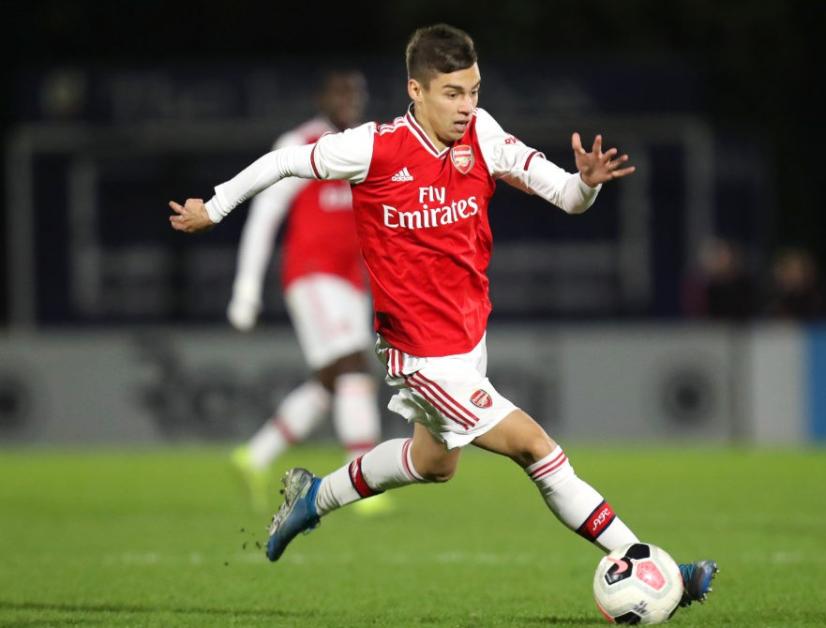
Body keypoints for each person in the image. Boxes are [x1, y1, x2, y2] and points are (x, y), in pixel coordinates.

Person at [169, 24, 717, 612]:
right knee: (536, 447)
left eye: (474, 91)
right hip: (418, 355)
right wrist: (216, 206)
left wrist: (586, 184)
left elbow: (563, 193)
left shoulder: (482, 135)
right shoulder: (372, 148)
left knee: (432, 463)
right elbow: (283, 162)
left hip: (467, 342)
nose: (467, 106)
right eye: (453, 93)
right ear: (416, 90)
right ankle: (653, 569)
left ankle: (312, 498)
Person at [226, 71, 389, 514]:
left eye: (356, 92)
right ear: (322, 97)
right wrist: (246, 289)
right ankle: (363, 486)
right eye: (340, 91)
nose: (349, 100)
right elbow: (265, 214)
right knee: (353, 368)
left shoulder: (367, 145)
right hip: (312, 274)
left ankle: (254, 455)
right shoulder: (301, 142)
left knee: (334, 378)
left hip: (352, 282)